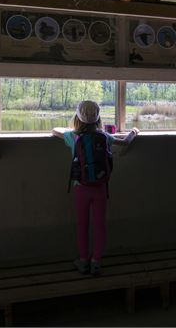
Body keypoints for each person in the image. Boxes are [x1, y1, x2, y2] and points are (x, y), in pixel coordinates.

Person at [52, 100, 139, 276]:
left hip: (80, 188)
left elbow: (54, 131)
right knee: (100, 226)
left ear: (77, 118)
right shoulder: (105, 137)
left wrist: (68, 129)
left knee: (82, 225)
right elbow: (125, 143)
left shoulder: (73, 137)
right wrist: (133, 132)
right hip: (100, 188)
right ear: (98, 119)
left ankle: (83, 261)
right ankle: (96, 262)